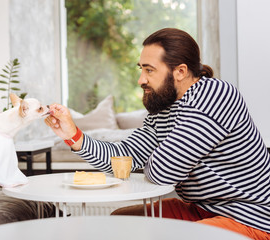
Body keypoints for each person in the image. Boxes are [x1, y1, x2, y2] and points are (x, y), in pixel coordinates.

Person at [45, 28, 270, 240]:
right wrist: (73, 135)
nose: (141, 80)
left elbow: (162, 173)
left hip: (250, 217)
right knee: (120, 221)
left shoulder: (216, 96)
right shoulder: (164, 109)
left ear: (180, 71)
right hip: (204, 208)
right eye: (140, 69)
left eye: (149, 70)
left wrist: (153, 160)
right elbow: (123, 157)